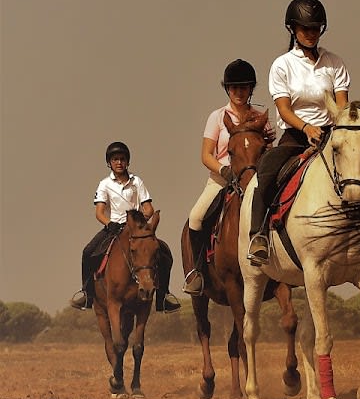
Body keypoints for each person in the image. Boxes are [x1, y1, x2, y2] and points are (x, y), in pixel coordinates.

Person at [246, 0, 350, 264]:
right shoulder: (282, 65)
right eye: (305, 28)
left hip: (331, 133)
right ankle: (258, 235)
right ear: (292, 29)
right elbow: (283, 110)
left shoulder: (334, 62)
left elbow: (342, 104)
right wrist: (306, 128)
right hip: (296, 135)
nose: (311, 34)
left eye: (316, 28)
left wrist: (338, 127)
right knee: (266, 170)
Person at [182, 59, 274, 295]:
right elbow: (206, 155)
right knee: (195, 218)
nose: (239, 92)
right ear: (227, 89)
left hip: (252, 179)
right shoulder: (217, 117)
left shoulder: (259, 118)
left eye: (244, 87)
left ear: (251, 89)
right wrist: (224, 170)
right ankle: (197, 272)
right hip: (222, 179)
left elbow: (267, 151)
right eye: (234, 88)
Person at [70, 141, 182, 312]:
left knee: (165, 253)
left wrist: (141, 221)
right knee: (87, 252)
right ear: (109, 162)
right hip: (114, 227)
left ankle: (163, 297)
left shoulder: (137, 181)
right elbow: (99, 212)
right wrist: (109, 223)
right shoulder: (104, 184)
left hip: (137, 230)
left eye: (122, 159)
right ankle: (87, 294)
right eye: (115, 159)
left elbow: (149, 208)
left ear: (127, 161)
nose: (119, 162)